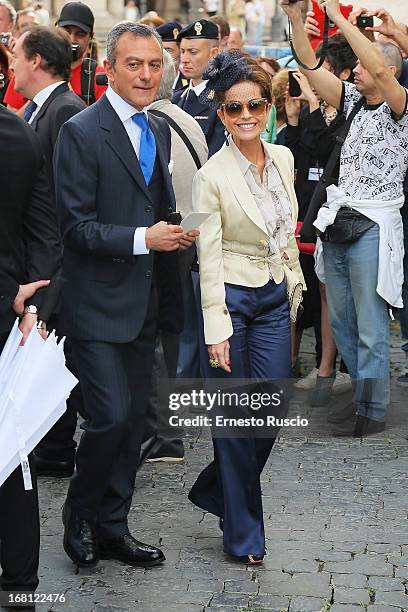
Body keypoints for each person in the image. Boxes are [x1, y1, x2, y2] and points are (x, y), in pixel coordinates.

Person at [54, 21, 198, 568]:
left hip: (145, 303)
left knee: (135, 422)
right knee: (110, 418)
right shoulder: (81, 131)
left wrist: (179, 229)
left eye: (154, 65)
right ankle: (79, 513)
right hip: (94, 304)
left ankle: (113, 526)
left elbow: (153, 205)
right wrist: (145, 237)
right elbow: (75, 228)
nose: (145, 75)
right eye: (133, 64)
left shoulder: (155, 130)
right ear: (108, 68)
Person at [189, 52, 304, 564]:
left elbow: (283, 233)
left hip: (275, 296)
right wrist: (215, 327)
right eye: (234, 109)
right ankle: (244, 535)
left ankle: (218, 490)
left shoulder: (283, 159)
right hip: (231, 302)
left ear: (267, 106)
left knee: (272, 411)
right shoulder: (209, 176)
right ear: (221, 114)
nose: (245, 116)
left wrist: (292, 282)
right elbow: (207, 258)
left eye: (254, 105)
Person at [281, 0, 408, 436]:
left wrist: (338, 18)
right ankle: (358, 395)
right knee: (342, 321)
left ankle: (372, 411)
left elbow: (384, 70)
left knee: (371, 324)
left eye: (362, 66)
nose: (353, 71)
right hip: (339, 222)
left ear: (383, 68)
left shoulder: (400, 107)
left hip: (373, 225)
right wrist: (297, 20)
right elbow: (311, 64)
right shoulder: (352, 101)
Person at [12, 25, 85, 478]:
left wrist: (50, 276)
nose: (12, 64)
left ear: (37, 60)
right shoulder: (42, 110)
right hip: (42, 262)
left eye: (17, 54)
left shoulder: (64, 110)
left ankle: (57, 448)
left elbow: (62, 201)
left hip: (56, 265)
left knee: (56, 354)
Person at [0, 104, 61, 608]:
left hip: (8, 310)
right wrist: (33, 300)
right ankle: (20, 580)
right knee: (12, 446)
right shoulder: (19, 132)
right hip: (10, 309)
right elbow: (46, 231)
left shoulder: (19, 135)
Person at [144, 50, 208, 462]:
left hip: (162, 240)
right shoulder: (188, 119)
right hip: (187, 237)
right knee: (171, 334)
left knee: (150, 336)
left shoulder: (150, 124)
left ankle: (163, 432)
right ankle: (168, 429)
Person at [4, 1, 107, 112]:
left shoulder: (99, 77)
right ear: (56, 30)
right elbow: (13, 121)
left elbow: (100, 124)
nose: (72, 39)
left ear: (90, 37)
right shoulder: (33, 66)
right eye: (67, 31)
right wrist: (41, 95)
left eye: (80, 34)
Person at [172, 19, 225, 157]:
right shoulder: (176, 98)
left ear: (213, 54)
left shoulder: (224, 99)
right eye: (182, 51)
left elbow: (216, 156)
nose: (184, 59)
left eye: (192, 52)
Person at [156, 21, 188, 91]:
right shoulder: (147, 82)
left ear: (181, 51)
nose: (163, 55)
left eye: (168, 50)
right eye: (160, 50)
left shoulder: (189, 83)